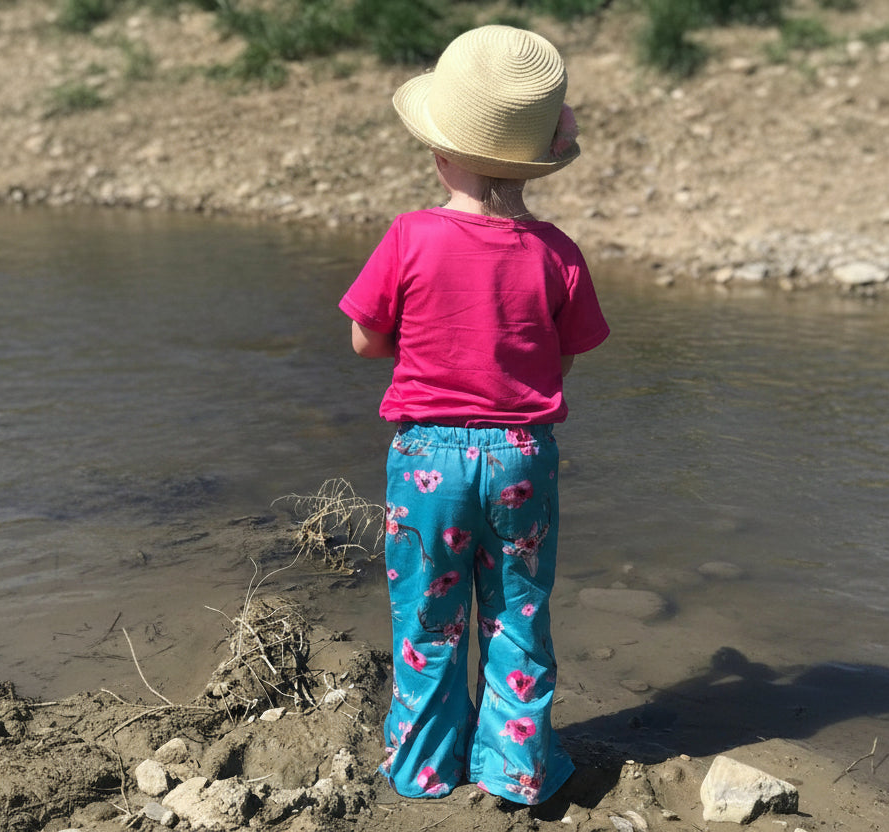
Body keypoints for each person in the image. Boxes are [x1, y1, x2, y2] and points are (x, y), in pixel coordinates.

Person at [338, 25, 609, 806]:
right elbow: (563, 358)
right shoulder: (558, 252)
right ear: (537, 163)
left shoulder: (411, 235)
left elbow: (364, 339)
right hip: (524, 456)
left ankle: (424, 769)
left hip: (428, 459)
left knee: (428, 621)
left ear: (440, 151)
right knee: (518, 613)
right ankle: (516, 771)